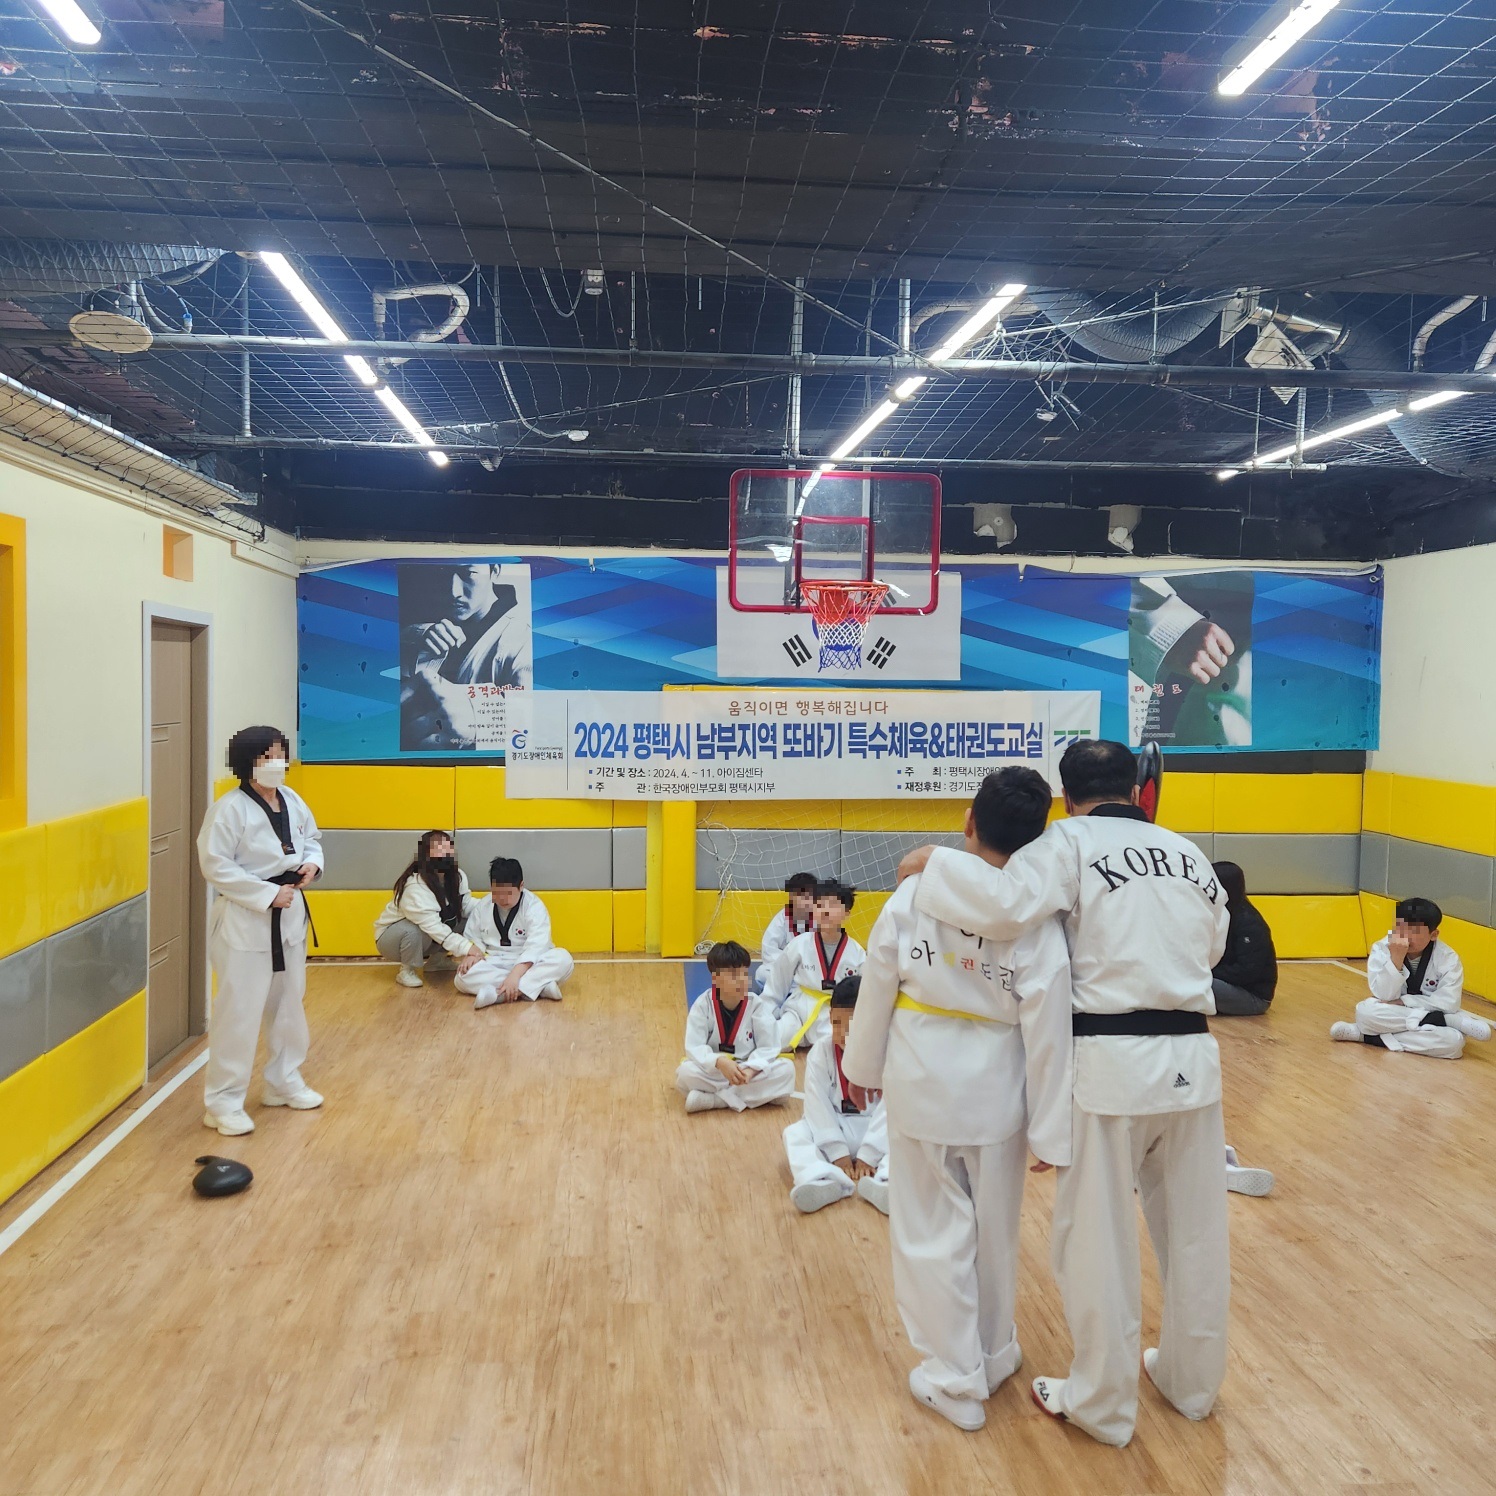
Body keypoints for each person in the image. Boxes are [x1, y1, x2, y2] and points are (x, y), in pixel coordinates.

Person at [896, 738, 1230, 1448]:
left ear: (1066, 797)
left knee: (1098, 1243)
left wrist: (935, 864)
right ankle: (1191, 1383)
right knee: (1197, 1234)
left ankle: (1101, 1404)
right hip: (1194, 1062)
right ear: (1137, 789)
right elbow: (1213, 948)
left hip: (1112, 1064)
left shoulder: (1067, 843)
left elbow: (1005, 908)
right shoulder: (1189, 854)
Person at [843, 765, 1072, 1433]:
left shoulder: (914, 894)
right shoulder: (1037, 916)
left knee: (930, 1233)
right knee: (995, 1231)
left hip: (923, 1081)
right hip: (1000, 1093)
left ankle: (954, 1378)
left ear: (969, 821)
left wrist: (861, 1064)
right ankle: (993, 1355)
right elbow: (1049, 1029)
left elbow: (879, 978)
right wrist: (1050, 1130)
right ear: (1038, 838)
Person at [196, 726, 323, 1137]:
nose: (277, 763)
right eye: (268, 756)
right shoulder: (228, 810)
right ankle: (223, 1102)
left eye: (281, 754)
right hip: (246, 920)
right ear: (248, 761)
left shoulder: (292, 800)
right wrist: (266, 894)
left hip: (289, 916)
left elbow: (312, 839)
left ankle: (283, 1082)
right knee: (239, 1012)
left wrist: (312, 865)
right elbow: (215, 865)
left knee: (289, 1005)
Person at [783, 973, 889, 1216]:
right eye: (838, 1023)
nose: (843, 1032)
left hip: (877, 1134)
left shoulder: (887, 1049)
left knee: (908, 1136)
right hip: (837, 1128)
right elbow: (816, 1105)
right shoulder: (821, 1051)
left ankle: (885, 1182)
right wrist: (838, 1154)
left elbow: (891, 1107)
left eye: (851, 1025)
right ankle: (823, 1181)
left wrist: (869, 1154)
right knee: (794, 1134)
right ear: (830, 1018)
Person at [1331, 897, 1492, 1057]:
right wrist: (1396, 958)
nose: (1405, 936)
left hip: (1409, 1012)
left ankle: (1366, 1036)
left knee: (1453, 1042)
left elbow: (1448, 1003)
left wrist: (1405, 1001)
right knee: (1366, 1012)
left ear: (1433, 935)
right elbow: (1384, 995)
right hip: (1398, 1011)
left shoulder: (1448, 958)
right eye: (1400, 928)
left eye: (1414, 931)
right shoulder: (1381, 948)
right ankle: (1446, 1021)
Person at [401, 563, 531, 750]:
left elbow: (533, 720)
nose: (454, 592)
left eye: (469, 573)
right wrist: (420, 635)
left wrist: (476, 720)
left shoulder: (522, 638)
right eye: (445, 571)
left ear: (494, 572)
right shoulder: (430, 616)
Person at [676, 941, 795, 1113]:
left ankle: (715, 1100)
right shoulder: (703, 1005)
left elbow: (769, 1046)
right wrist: (719, 1062)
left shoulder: (756, 1004)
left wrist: (751, 1070)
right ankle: (760, 1095)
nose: (741, 981)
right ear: (716, 978)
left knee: (786, 1069)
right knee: (685, 1073)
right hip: (717, 1071)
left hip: (746, 1070)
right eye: (733, 975)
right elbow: (694, 1047)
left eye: (744, 974)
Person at [454, 857, 575, 1009]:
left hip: (528, 963)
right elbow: (474, 939)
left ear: (521, 886)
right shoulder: (483, 906)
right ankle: (537, 988)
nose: (502, 899)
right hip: (495, 961)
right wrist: (473, 955)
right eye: (497, 892)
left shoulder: (534, 906)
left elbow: (536, 947)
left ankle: (499, 995)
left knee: (564, 959)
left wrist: (515, 975)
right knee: (461, 977)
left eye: (508, 893)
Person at [760, 879, 862, 1050]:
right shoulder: (799, 944)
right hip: (798, 1010)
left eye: (833, 906)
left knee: (839, 1047)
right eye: (820, 905)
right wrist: (766, 1015)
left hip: (833, 1014)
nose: (825, 911)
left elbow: (864, 995)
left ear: (846, 913)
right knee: (773, 1040)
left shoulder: (857, 953)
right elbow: (777, 984)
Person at [373, 830, 484, 988]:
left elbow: (465, 905)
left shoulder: (457, 876)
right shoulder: (415, 886)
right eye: (439, 852)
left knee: (466, 920)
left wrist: (491, 907)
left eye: (448, 851)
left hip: (426, 933)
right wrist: (468, 948)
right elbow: (434, 927)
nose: (445, 856)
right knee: (413, 930)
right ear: (426, 856)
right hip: (392, 939)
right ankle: (406, 970)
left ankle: (437, 961)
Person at [1210, 861, 1277, 1016]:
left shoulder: (1249, 922)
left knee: (1201, 983)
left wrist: (1206, 971)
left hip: (1253, 997)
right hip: (1227, 984)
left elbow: (1246, 971)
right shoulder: (1221, 912)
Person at [758, 871, 818, 976]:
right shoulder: (780, 921)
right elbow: (768, 951)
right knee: (761, 973)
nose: (807, 901)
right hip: (787, 971)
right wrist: (792, 965)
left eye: (810, 896)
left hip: (811, 970)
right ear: (791, 896)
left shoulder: (821, 919)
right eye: (802, 896)